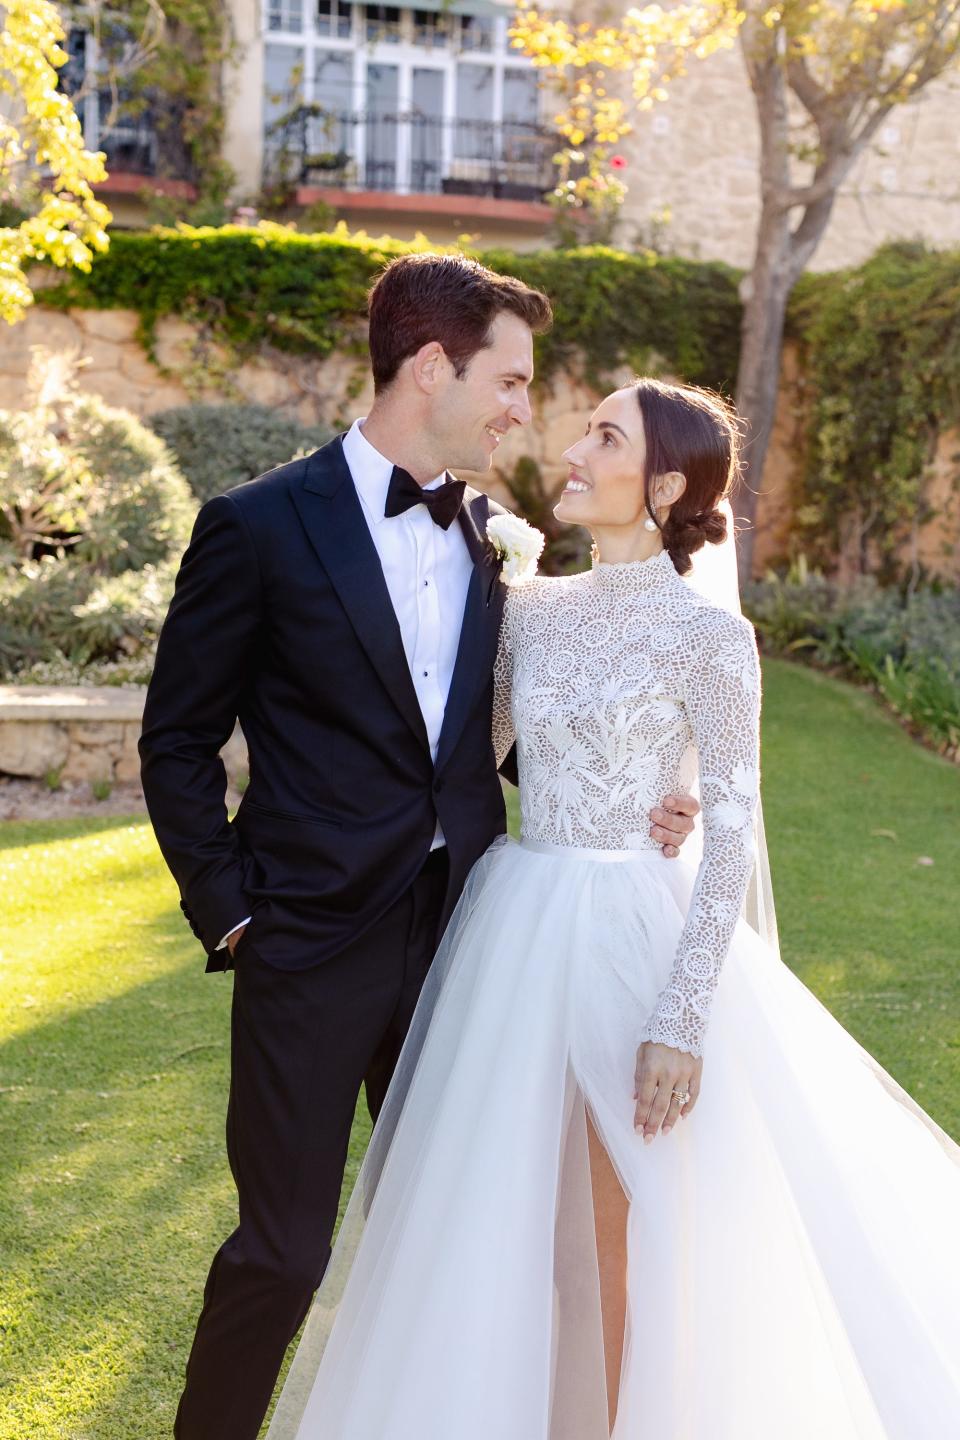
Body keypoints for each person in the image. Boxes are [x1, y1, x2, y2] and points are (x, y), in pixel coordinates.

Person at [265, 378, 960, 1440]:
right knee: (505, 1223)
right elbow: (490, 752)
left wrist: (679, 1020)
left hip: (627, 938)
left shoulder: (710, 639)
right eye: (583, 426)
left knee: (602, 1244)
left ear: (666, 483)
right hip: (513, 927)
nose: (573, 449)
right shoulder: (533, 608)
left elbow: (731, 827)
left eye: (605, 435)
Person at [138, 256, 698, 1440]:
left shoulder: (497, 545)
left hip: (469, 950)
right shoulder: (257, 526)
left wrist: (650, 793)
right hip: (307, 942)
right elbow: (178, 738)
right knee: (285, 1255)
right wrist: (230, 907)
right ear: (433, 367)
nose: (520, 413)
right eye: (509, 380)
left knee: (469, 1248)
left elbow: (496, 732)